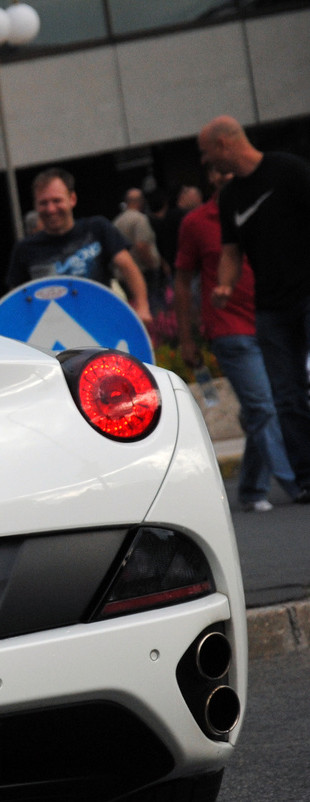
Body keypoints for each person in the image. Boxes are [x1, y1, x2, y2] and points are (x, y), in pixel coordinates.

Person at [175, 165, 304, 511]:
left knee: (264, 410)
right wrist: (187, 339)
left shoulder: (267, 208)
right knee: (264, 407)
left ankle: (250, 488)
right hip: (229, 329)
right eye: (219, 172)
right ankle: (298, 483)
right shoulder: (196, 223)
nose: (227, 178)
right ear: (212, 178)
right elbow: (183, 282)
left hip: (272, 320)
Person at [200, 115, 310, 491]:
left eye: (206, 152)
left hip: (307, 294)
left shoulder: (289, 170)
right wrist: (225, 284)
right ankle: (306, 478)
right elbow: (231, 251)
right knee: (287, 395)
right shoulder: (231, 196)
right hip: (271, 308)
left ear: (224, 145)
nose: (205, 161)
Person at [6, 168, 153, 326]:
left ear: (72, 199)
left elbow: (128, 267)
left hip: (101, 323)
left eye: (57, 200)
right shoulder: (25, 248)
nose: (50, 209)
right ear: (35, 205)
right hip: (51, 332)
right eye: (43, 203)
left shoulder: (97, 228)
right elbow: (15, 300)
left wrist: (142, 307)